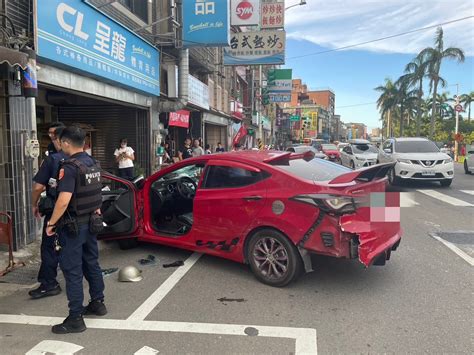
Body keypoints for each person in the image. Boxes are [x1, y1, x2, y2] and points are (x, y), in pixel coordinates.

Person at [45, 126, 106, 334]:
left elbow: (63, 200)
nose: (60, 145)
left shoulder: (69, 167)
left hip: (73, 225)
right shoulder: (93, 163)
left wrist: (51, 223)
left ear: (67, 143)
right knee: (91, 262)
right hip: (92, 222)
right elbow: (98, 191)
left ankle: (75, 318)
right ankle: (98, 303)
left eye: (60, 142)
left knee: (72, 270)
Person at [29, 126, 67, 299]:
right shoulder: (85, 159)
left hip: (56, 211)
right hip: (77, 213)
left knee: (50, 247)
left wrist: (34, 204)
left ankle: (49, 284)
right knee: (73, 247)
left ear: (60, 140)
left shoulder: (53, 160)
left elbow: (38, 187)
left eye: (53, 137)